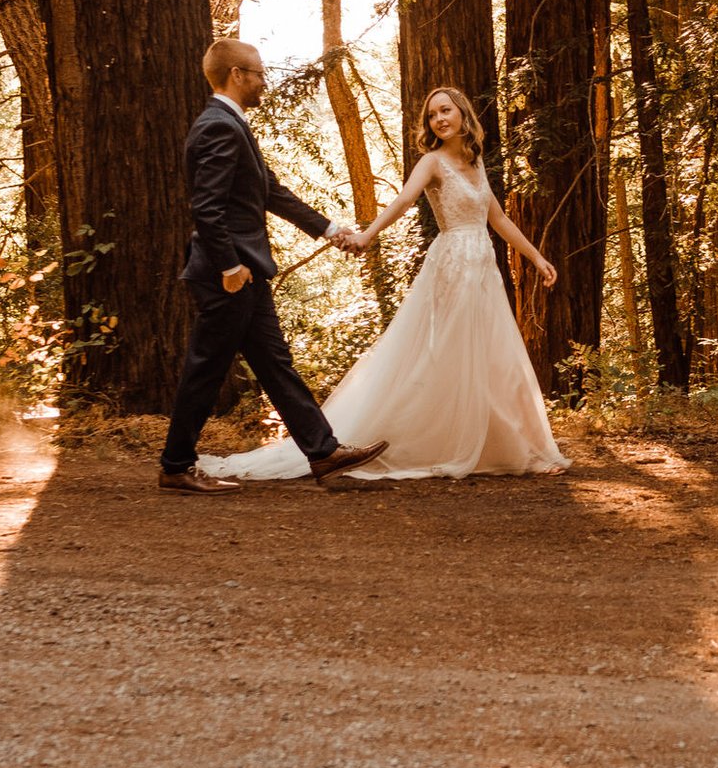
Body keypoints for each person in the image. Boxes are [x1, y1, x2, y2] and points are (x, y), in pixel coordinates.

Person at [202, 85, 568, 483]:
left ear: (463, 113)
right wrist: (367, 234)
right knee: (448, 351)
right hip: (452, 267)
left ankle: (510, 447)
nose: (440, 119)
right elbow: (403, 201)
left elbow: (497, 218)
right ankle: (429, 441)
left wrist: (536, 257)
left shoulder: (476, 163)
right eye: (432, 115)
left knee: (494, 355)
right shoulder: (432, 162)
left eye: (446, 111)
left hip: (483, 267)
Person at [158, 40, 386, 495]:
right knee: (205, 368)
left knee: (275, 364)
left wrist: (331, 229)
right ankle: (176, 466)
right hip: (229, 275)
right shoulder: (218, 127)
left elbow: (270, 192)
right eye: (259, 73)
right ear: (237, 74)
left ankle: (322, 452)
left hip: (245, 273)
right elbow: (206, 207)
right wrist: (228, 267)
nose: (264, 81)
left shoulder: (231, 125)